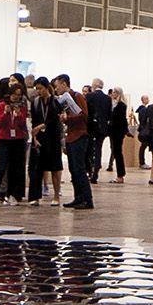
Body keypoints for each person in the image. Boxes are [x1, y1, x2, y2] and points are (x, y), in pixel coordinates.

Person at [54, 72, 93, 210]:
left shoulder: (77, 96)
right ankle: (78, 197)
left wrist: (68, 118)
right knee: (73, 169)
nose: (56, 89)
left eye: (57, 86)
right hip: (71, 136)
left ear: (64, 84)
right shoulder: (65, 99)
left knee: (79, 169)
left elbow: (84, 115)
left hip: (79, 136)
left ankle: (86, 199)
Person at [0, 79, 30, 206]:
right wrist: (5, 113)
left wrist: (18, 115)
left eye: (19, 95)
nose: (16, 97)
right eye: (15, 94)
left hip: (18, 139)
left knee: (15, 168)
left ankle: (12, 194)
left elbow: (22, 124)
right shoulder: (1, 105)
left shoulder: (22, 107)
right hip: (4, 139)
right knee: (2, 166)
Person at [30, 77, 64, 205]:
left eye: (40, 88)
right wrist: (34, 138)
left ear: (46, 87)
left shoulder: (56, 102)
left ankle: (56, 196)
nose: (38, 91)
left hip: (53, 138)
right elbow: (34, 122)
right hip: (40, 138)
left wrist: (42, 126)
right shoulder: (35, 102)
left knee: (55, 167)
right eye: (37, 89)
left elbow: (55, 120)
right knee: (37, 168)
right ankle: (35, 197)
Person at [84, 79, 112, 184]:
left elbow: (86, 111)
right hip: (102, 128)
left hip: (91, 127)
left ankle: (90, 170)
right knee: (98, 148)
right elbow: (109, 114)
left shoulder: (89, 96)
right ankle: (96, 169)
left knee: (89, 149)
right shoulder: (107, 98)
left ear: (95, 85)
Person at [107, 86, 131, 183]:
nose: (112, 94)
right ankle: (120, 174)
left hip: (117, 132)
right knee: (116, 152)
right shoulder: (114, 104)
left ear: (118, 93)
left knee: (117, 152)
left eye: (114, 92)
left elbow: (121, 120)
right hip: (114, 131)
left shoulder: (121, 105)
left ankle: (120, 175)